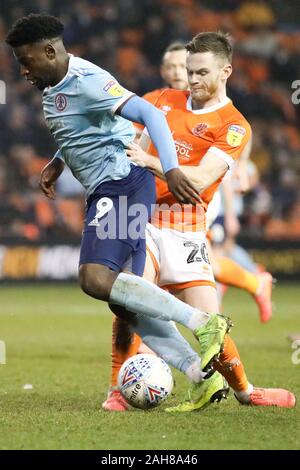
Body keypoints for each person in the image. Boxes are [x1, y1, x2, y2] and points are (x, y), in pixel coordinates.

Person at [6, 14, 234, 409]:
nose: (23, 70)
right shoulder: (52, 82)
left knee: (94, 277)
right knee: (123, 301)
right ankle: (202, 376)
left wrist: (172, 169)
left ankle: (204, 322)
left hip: (123, 182)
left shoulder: (88, 80)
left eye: (27, 61)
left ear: (49, 51)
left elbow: (151, 115)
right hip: (106, 189)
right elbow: (84, 126)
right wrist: (60, 160)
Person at [103, 33, 295, 412]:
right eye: (189, 72)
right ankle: (116, 387)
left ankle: (245, 391)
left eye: (201, 72)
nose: (191, 80)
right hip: (147, 222)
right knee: (128, 299)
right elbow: (131, 152)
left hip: (189, 229)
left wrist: (152, 164)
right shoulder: (161, 100)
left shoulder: (234, 125)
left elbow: (202, 180)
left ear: (226, 71)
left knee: (210, 324)